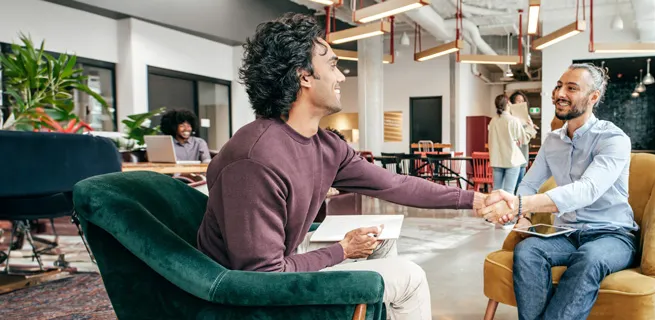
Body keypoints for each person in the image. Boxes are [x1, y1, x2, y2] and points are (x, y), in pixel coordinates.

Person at [195, 13, 489, 320]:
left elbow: (394, 184)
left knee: (381, 244)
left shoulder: (326, 145)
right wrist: (342, 250)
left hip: (281, 259)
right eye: (333, 65)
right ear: (303, 76)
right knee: (409, 278)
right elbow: (262, 277)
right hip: (240, 292)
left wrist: (475, 199)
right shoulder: (255, 159)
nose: (341, 77)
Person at [479, 63, 639, 320]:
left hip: (612, 235)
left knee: (589, 258)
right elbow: (529, 183)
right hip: (567, 234)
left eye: (571, 88)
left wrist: (521, 204)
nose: (559, 94)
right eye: (558, 86)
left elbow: (587, 190)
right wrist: (524, 217)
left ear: (593, 97)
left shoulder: (613, 139)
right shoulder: (553, 141)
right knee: (528, 251)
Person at [487, 94, 528, 195]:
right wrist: (530, 127)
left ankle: (496, 210)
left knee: (496, 190)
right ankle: (508, 211)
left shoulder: (493, 121)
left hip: (496, 160)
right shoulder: (514, 120)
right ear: (508, 104)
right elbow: (524, 139)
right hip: (512, 160)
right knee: (509, 192)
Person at [508, 91, 537, 194]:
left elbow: (532, 135)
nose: (520, 103)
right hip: (512, 156)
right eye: (518, 101)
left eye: (522, 101)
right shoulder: (509, 117)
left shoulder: (527, 117)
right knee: (511, 185)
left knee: (520, 182)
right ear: (512, 103)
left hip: (523, 153)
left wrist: (530, 126)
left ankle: (518, 205)